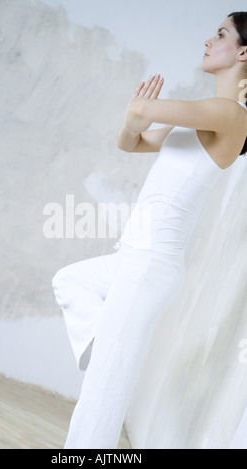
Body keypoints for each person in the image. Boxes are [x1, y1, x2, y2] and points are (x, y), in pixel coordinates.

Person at [51, 12, 247, 449]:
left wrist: (135, 114)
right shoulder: (200, 118)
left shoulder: (229, 114)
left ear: (243, 53)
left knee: (103, 392)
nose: (208, 40)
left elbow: (140, 111)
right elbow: (130, 140)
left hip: (150, 264)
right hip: (133, 258)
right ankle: (109, 348)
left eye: (220, 34)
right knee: (69, 281)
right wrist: (132, 123)